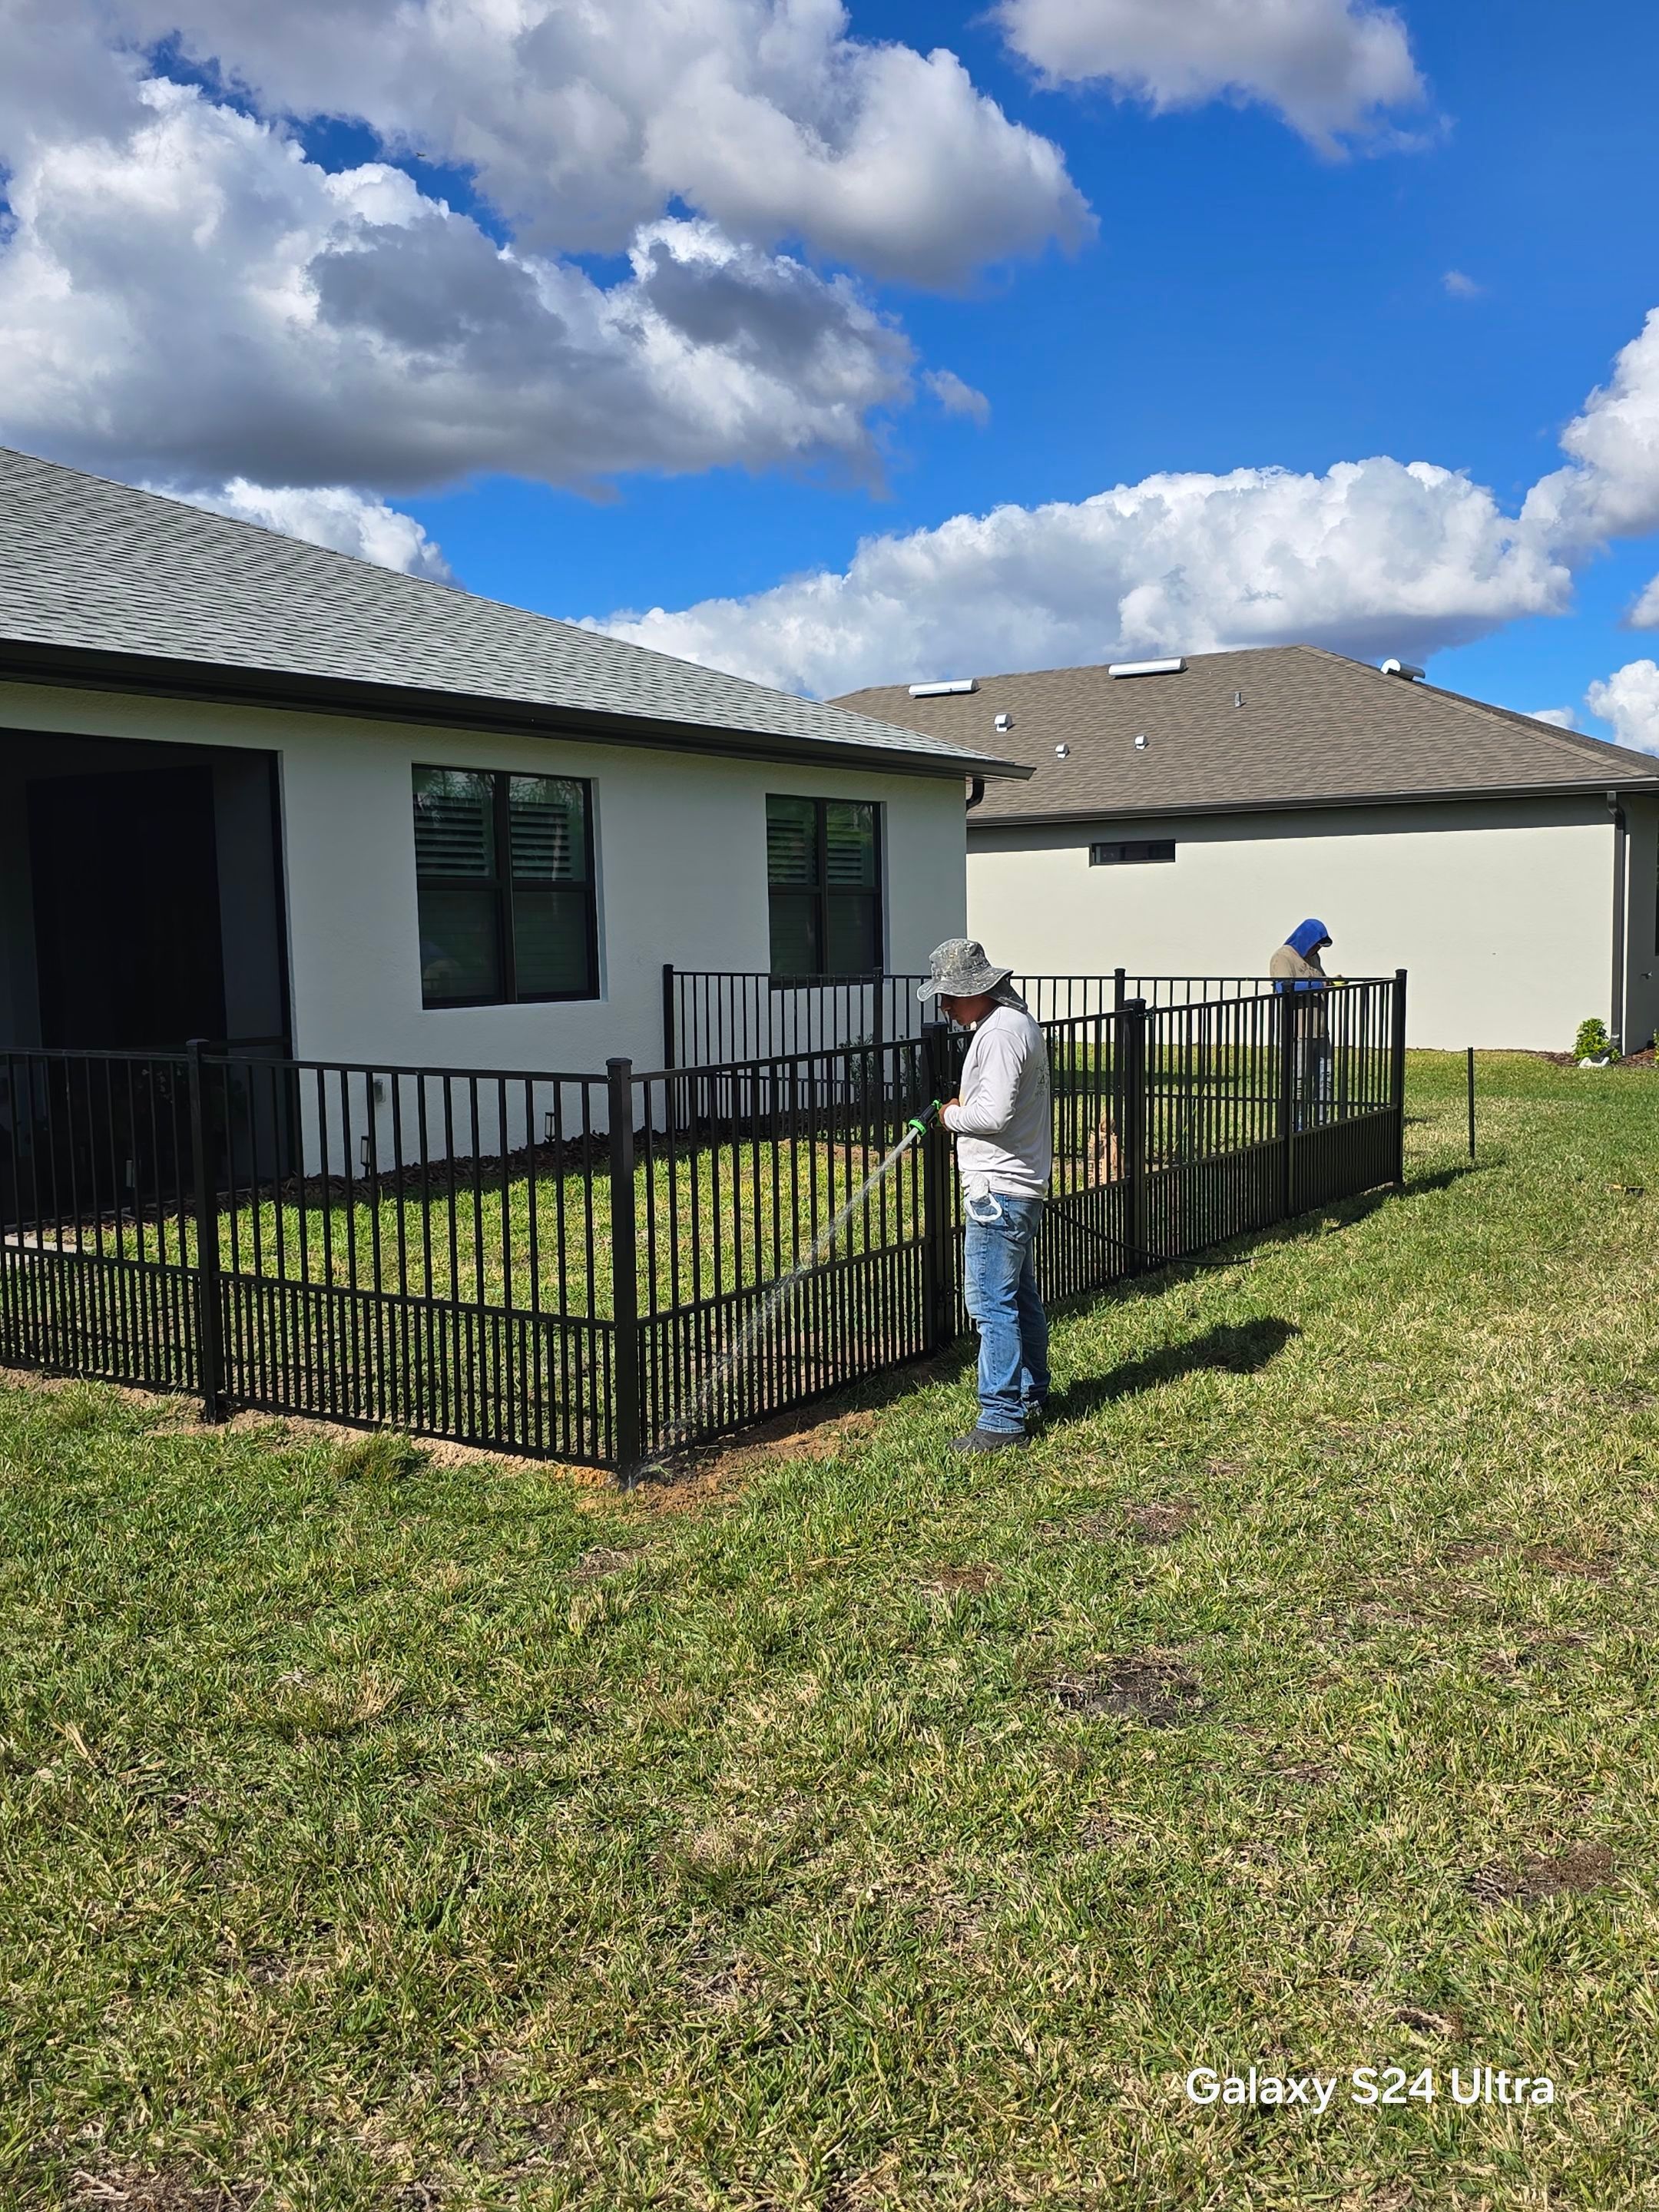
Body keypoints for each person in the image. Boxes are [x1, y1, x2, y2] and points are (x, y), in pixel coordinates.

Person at [918, 939, 1052, 1454]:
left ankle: (1000, 1420)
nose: (945, 1007)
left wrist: (951, 1114)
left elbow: (992, 1116)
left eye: (950, 995)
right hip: (1019, 1184)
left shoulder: (998, 1035)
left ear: (977, 989)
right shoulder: (1017, 1025)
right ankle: (1030, 1393)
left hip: (996, 1190)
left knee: (991, 1306)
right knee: (1019, 1297)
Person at [1270, 919, 1333, 1128]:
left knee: (1326, 1078)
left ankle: (1321, 1122)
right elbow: (1283, 989)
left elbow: (1321, 980)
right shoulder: (1283, 957)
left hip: (1320, 1031)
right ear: (1306, 939)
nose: (1317, 950)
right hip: (1298, 1032)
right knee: (1298, 1081)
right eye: (1316, 944)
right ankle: (1295, 1125)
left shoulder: (1315, 958)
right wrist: (1317, 984)